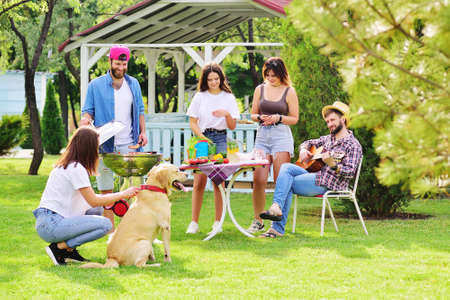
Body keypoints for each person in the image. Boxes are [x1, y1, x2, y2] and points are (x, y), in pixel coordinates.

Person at [33, 127, 140, 265]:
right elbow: (93, 200)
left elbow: (88, 201)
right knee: (106, 225)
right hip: (52, 224)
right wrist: (122, 194)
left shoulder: (67, 165)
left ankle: (68, 252)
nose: (97, 151)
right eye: (96, 147)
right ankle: (60, 248)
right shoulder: (76, 168)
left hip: (49, 221)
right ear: (88, 148)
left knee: (100, 211)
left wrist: (110, 200)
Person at [258, 101, 363, 238]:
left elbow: (350, 171)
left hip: (329, 183)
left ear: (343, 119)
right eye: (327, 121)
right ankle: (276, 209)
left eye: (332, 120)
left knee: (286, 182)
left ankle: (276, 226)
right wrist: (303, 150)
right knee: (286, 167)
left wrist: (333, 165)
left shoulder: (353, 145)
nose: (329, 124)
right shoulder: (328, 139)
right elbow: (307, 143)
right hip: (316, 176)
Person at [79, 45, 147, 232]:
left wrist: (143, 132)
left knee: (135, 188)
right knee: (106, 189)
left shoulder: (133, 84)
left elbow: (140, 109)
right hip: (104, 145)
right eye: (118, 63)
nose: (121, 68)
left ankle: (134, 229)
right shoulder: (96, 85)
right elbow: (88, 111)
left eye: (124, 64)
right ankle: (110, 231)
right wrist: (85, 121)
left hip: (130, 145)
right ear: (110, 61)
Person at [185, 62, 240, 234]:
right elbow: (192, 122)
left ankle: (218, 222)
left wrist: (227, 114)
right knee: (199, 182)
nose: (214, 82)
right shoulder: (200, 96)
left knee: (218, 182)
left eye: (216, 79)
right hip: (202, 138)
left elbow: (232, 126)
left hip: (221, 138)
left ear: (221, 78)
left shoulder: (229, 98)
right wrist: (203, 138)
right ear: (205, 81)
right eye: (210, 80)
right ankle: (194, 222)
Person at [248, 57, 299, 233]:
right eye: (268, 75)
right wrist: (261, 117)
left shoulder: (289, 91)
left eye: (274, 75)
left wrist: (278, 117)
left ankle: (277, 224)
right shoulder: (259, 89)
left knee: (280, 181)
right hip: (262, 136)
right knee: (259, 179)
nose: (270, 78)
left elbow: (294, 118)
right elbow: (253, 114)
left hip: (281, 136)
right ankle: (257, 220)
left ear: (281, 74)